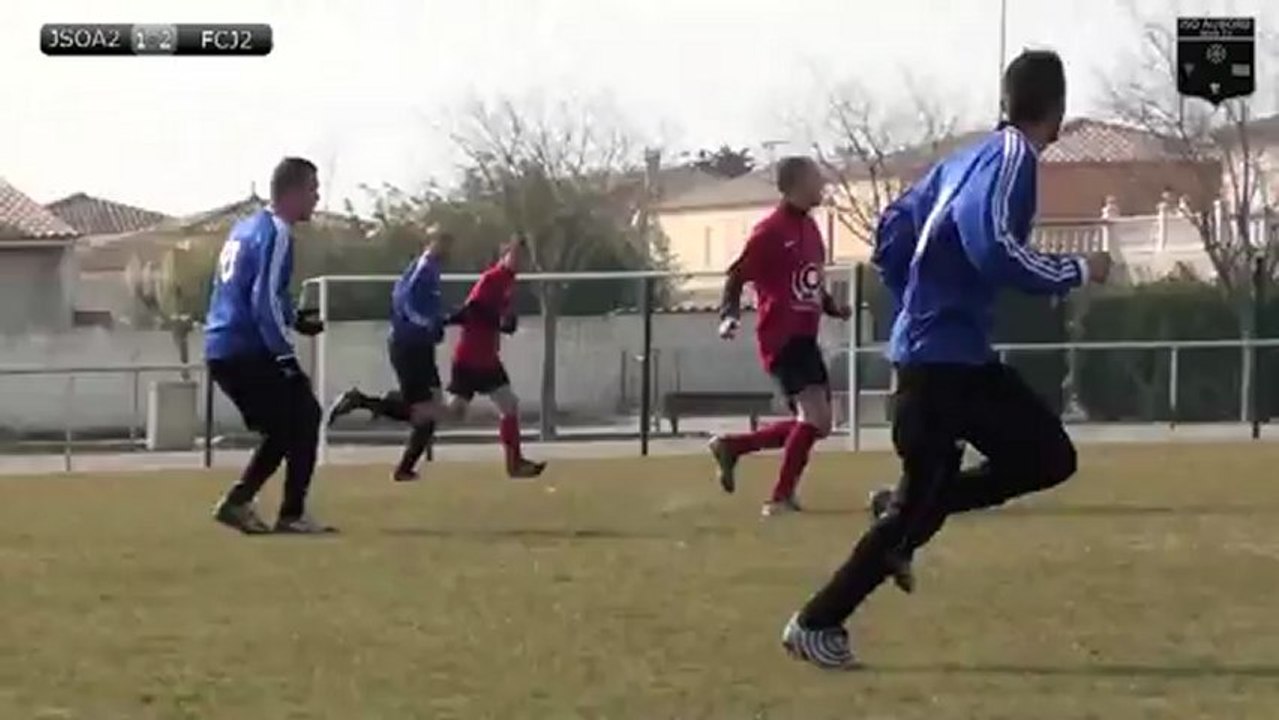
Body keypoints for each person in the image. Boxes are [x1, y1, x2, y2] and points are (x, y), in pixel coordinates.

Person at [779, 49, 1112, 669]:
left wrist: (916, 305)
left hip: (944, 357)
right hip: (943, 365)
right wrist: (1076, 268)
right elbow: (994, 247)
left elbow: (894, 231)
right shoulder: (1016, 158)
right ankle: (816, 622)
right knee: (1023, 466)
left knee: (1043, 458)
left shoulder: (967, 158)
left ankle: (906, 516)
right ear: (1058, 109)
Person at [707, 155, 851, 517]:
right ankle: (779, 498)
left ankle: (733, 447)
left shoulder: (811, 229)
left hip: (805, 336)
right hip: (781, 338)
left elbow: (811, 282)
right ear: (796, 185)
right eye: (816, 178)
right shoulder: (770, 230)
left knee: (819, 424)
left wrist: (833, 308)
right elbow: (737, 275)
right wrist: (729, 315)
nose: (823, 184)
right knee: (813, 418)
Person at [205, 156, 335, 535]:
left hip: (222, 347)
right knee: (304, 415)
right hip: (247, 347)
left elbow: (252, 293)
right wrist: (285, 356)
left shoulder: (244, 229)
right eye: (312, 189)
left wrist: (295, 319)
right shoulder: (277, 232)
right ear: (292, 192)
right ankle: (289, 514)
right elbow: (262, 300)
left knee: (287, 425)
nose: (317, 196)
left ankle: (240, 503)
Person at [326, 231, 454, 482]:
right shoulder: (424, 267)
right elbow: (404, 300)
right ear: (429, 243)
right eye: (443, 242)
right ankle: (360, 401)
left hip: (419, 347)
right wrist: (426, 323)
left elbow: (427, 304)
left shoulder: (431, 268)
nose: (447, 248)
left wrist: (445, 317)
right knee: (425, 413)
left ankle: (404, 468)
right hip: (409, 346)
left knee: (434, 408)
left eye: (449, 243)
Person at [441, 236, 545, 478]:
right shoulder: (492, 278)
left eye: (524, 257)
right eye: (516, 255)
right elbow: (472, 309)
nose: (520, 261)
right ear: (504, 254)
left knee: (509, 405)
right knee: (452, 413)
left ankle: (515, 464)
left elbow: (500, 320)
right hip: (470, 357)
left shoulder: (509, 282)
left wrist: (508, 324)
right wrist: (496, 320)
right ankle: (404, 409)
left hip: (487, 358)